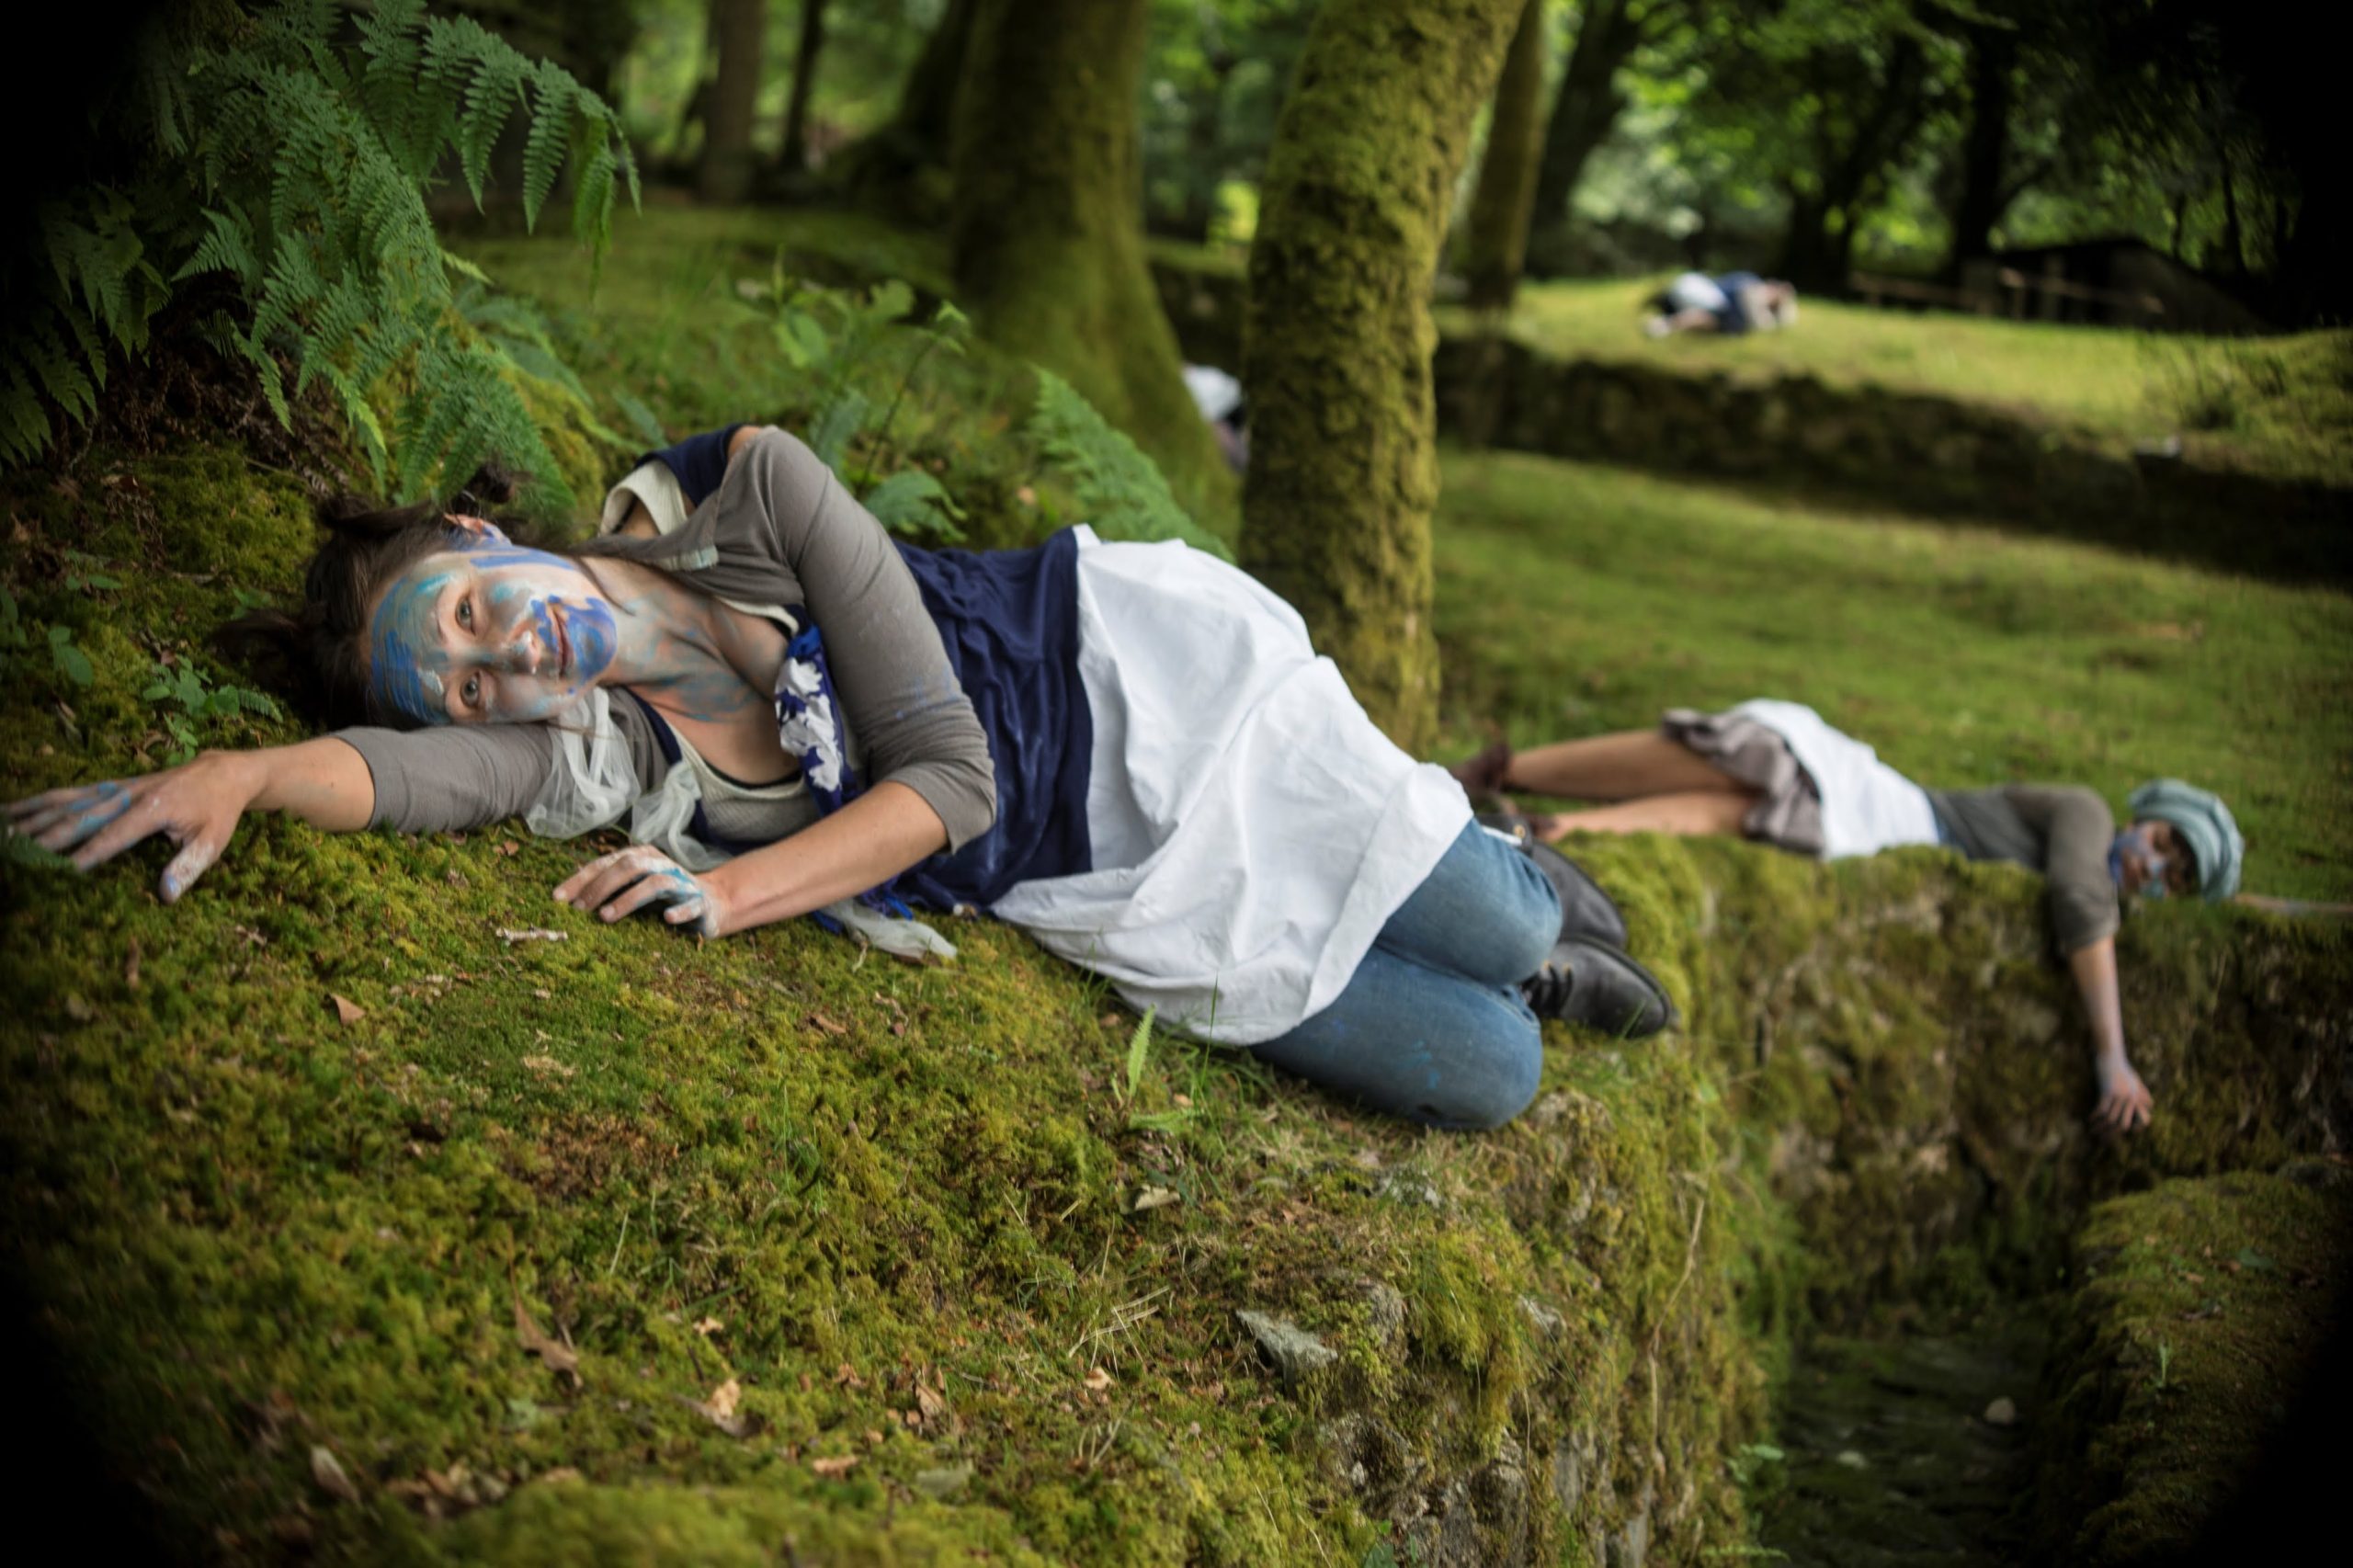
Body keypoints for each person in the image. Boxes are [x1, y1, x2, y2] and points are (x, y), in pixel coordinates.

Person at [7, 425, 1677, 1131]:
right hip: (1085, 871)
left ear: (478, 537)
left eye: (469, 620)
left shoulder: (754, 491)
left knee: (1469, 902)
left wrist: (731, 892)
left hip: (1134, 687)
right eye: (456, 685)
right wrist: (248, 772)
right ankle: (1527, 955)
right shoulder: (583, 749)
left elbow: (946, 776)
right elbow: (405, 779)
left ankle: (1517, 879)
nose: (494, 671)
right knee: (1489, 1067)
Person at [1451, 701, 2250, 1137]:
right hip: (1887, 806)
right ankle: (1503, 773)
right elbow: (2081, 899)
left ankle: (1550, 831)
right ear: (2149, 817)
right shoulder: (2087, 811)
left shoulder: (2109, 895)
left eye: (2173, 879)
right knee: (1756, 758)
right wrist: (2113, 1057)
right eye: (2162, 845)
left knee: (1755, 808)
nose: (2152, 867)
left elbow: (2092, 907)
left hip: (1870, 833)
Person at [1642, 270, 1800, 338]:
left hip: (1697, 306)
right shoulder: (1750, 283)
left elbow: (1786, 320)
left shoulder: (1756, 313)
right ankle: (1664, 321)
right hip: (1695, 293)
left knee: (1710, 319)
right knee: (1714, 309)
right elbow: (1749, 300)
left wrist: (1784, 302)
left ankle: (1665, 322)